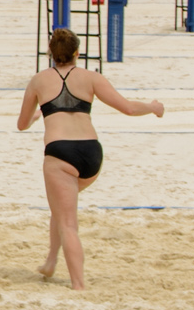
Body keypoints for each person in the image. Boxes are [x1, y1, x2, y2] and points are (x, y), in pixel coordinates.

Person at [14, 28, 163, 289]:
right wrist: (152, 107)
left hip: (61, 154)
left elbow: (21, 124)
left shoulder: (38, 80)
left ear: (51, 53)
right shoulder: (92, 77)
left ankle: (79, 285)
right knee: (61, 208)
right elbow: (127, 107)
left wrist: (39, 115)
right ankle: (50, 261)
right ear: (77, 53)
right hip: (92, 154)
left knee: (68, 222)